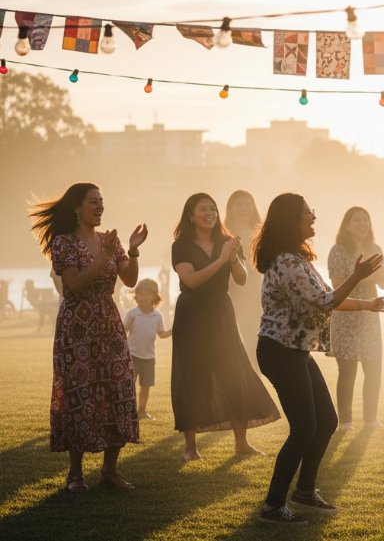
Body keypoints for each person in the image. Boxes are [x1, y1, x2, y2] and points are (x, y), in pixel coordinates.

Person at [253, 193, 384, 525]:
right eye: (307, 213)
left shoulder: (298, 259)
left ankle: (304, 492)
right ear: (291, 220)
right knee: (303, 429)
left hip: (295, 350)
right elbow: (324, 301)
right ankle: (273, 506)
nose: (313, 217)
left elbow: (330, 297)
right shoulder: (286, 262)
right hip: (280, 351)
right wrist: (357, 277)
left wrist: (367, 305)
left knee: (326, 421)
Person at [29, 182, 149, 491]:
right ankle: (75, 474)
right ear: (76, 208)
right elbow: (77, 285)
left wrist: (133, 250)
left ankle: (109, 471)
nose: (100, 207)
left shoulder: (110, 240)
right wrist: (103, 256)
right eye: (93, 201)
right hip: (77, 327)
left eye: (102, 201)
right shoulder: (63, 243)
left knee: (119, 388)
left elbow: (130, 278)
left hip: (108, 324)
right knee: (79, 394)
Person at [171, 193, 280, 462]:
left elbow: (241, 279)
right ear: (190, 215)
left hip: (221, 312)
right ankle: (190, 446)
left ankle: (241, 443)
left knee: (233, 372)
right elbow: (192, 281)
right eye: (203, 209)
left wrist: (232, 258)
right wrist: (221, 260)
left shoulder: (227, 241)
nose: (209, 213)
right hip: (192, 314)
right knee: (193, 376)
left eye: (212, 209)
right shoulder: (181, 246)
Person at [328, 206, 384, 430]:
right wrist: (369, 277)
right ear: (347, 225)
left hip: (370, 316)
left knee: (373, 369)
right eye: (357, 220)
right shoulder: (338, 251)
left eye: (366, 220)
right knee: (347, 371)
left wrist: (381, 276)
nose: (362, 224)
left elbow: (382, 283)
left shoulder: (375, 249)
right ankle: (345, 422)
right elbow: (337, 286)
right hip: (345, 314)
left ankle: (371, 419)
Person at [224, 189, 264, 368]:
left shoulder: (260, 234)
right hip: (232, 295)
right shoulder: (224, 235)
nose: (244, 208)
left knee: (254, 346)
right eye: (239, 204)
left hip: (256, 296)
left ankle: (254, 387)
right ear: (231, 209)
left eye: (248, 204)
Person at [124, 278, 171, 420]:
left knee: (145, 386)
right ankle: (127, 410)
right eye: (140, 294)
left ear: (154, 297)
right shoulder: (132, 313)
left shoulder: (157, 316)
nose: (143, 297)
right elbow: (123, 331)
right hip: (133, 355)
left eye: (147, 294)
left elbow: (161, 334)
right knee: (129, 384)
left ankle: (142, 411)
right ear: (135, 296)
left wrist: (173, 331)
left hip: (149, 358)